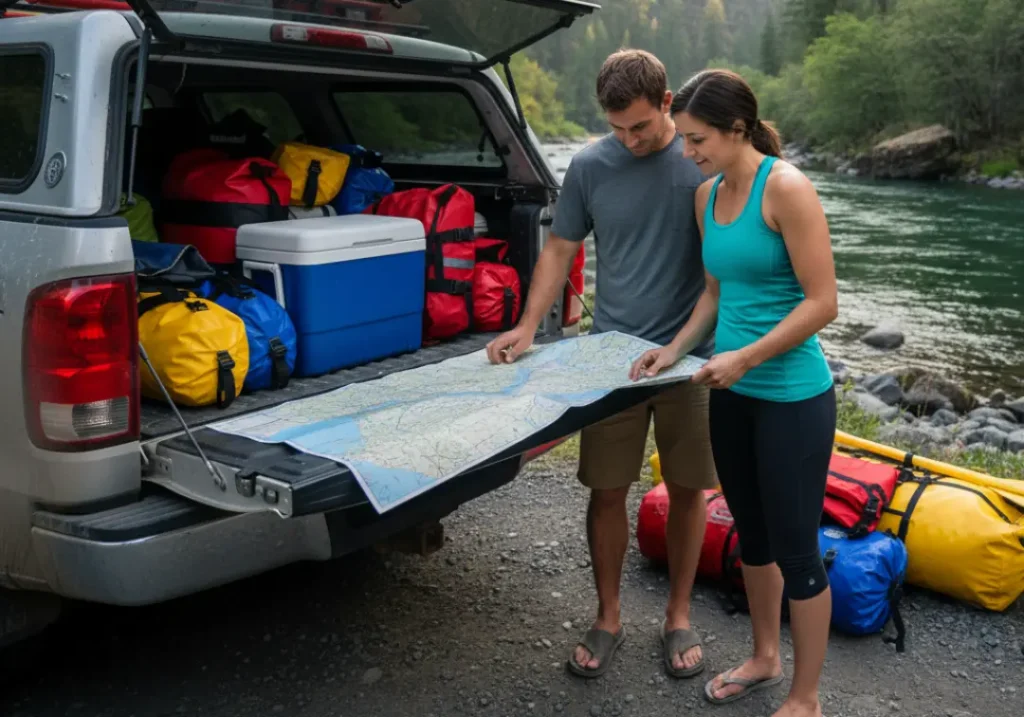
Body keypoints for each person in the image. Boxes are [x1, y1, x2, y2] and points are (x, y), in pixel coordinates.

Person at [485, 49, 718, 680]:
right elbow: (560, 249)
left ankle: (677, 614)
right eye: (617, 128)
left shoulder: (702, 159)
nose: (629, 139)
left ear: (667, 104)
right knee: (606, 488)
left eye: (640, 126)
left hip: (690, 358)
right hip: (611, 359)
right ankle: (609, 615)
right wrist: (529, 326)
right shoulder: (590, 165)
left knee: (690, 489)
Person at [629, 68, 838, 717]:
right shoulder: (706, 196)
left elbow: (824, 302)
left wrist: (744, 357)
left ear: (737, 129)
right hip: (733, 391)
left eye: (697, 141)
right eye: (686, 141)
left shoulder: (788, 189)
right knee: (752, 536)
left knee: (798, 548)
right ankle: (764, 656)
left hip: (793, 397)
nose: (687, 153)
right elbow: (716, 294)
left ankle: (806, 698)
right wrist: (676, 346)